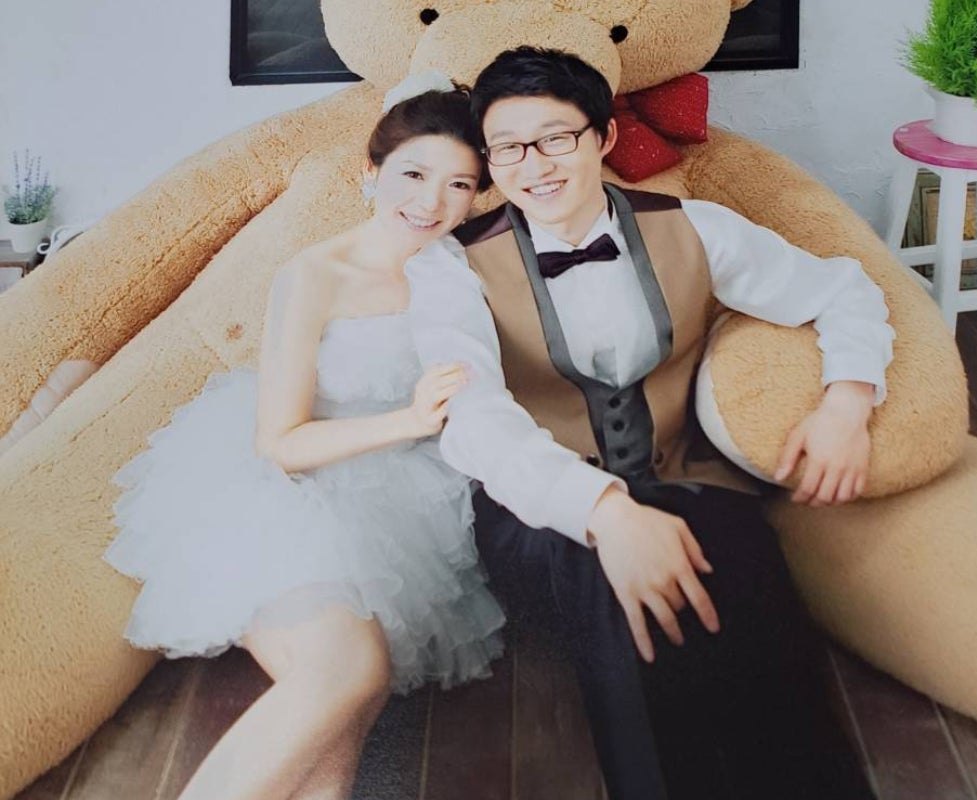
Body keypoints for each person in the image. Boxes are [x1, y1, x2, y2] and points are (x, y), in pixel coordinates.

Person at [405, 47, 894, 799]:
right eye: (508, 148)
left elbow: (842, 289)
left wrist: (846, 404)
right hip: (535, 506)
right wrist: (605, 512)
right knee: (612, 594)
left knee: (751, 590)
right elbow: (471, 417)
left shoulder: (696, 228)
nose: (534, 165)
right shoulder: (451, 266)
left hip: (683, 471)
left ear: (602, 137)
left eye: (556, 138)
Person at [102, 74, 504, 800]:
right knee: (350, 672)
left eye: (459, 185)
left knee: (351, 698)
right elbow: (280, 443)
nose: (432, 202)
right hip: (283, 485)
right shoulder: (313, 275)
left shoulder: (454, 269)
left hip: (401, 496)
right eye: (414, 174)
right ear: (371, 171)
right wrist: (411, 421)